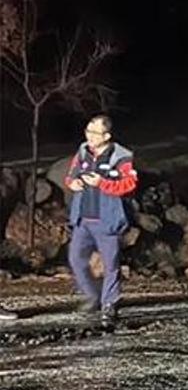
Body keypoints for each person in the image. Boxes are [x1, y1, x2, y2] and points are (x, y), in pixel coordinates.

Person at [63, 115, 138, 327]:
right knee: (76, 259)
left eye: (94, 133)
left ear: (107, 136)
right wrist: (73, 183)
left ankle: (110, 304)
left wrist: (102, 183)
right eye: (87, 131)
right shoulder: (83, 151)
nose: (89, 136)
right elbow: (71, 175)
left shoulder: (121, 156)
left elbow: (130, 184)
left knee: (111, 264)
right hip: (83, 219)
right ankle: (93, 295)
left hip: (107, 220)